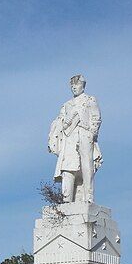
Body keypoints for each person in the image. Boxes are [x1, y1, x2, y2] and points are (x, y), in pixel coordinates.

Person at [48, 74, 103, 203]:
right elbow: (60, 120)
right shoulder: (67, 104)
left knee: (86, 165)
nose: (74, 88)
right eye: (72, 85)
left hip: (84, 133)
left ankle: (88, 197)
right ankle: (66, 199)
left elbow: (96, 117)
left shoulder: (89, 100)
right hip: (69, 136)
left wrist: (92, 133)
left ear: (82, 86)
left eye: (76, 85)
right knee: (67, 166)